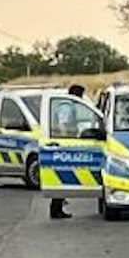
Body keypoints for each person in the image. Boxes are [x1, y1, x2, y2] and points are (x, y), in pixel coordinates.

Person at [49, 83, 90, 220]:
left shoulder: (65, 104)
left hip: (62, 142)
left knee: (62, 177)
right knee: (62, 177)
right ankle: (56, 209)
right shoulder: (67, 106)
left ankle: (58, 207)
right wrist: (66, 140)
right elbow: (63, 124)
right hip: (64, 144)